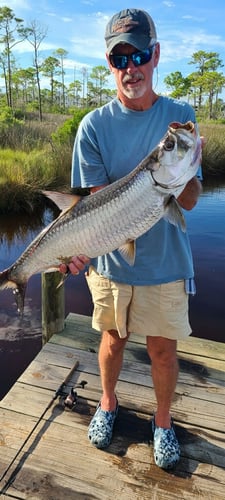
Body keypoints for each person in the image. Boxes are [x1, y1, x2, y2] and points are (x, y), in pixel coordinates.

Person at [60, 8, 202, 470]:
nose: (131, 68)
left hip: (167, 264)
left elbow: (193, 200)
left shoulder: (179, 119)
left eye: (138, 55)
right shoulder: (93, 128)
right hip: (112, 263)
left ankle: (163, 422)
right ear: (109, 64)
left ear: (155, 54)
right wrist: (72, 251)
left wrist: (179, 176)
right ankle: (107, 403)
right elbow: (94, 209)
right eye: (120, 60)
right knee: (112, 340)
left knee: (163, 350)